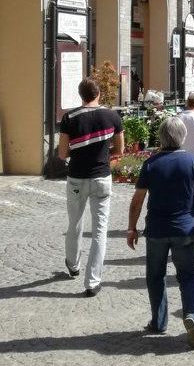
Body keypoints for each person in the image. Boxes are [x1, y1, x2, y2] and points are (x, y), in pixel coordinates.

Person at [126, 117, 194, 347]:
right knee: (188, 276)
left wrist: (132, 228)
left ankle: (159, 321)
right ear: (183, 136)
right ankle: (191, 314)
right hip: (184, 227)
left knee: (155, 276)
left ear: (161, 137)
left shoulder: (151, 164)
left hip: (156, 230)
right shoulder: (193, 161)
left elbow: (137, 201)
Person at [58, 77, 125, 296]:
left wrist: (78, 150)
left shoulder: (69, 118)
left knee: (75, 223)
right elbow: (120, 150)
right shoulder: (112, 116)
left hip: (76, 177)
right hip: (101, 177)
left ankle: (73, 265)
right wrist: (104, 153)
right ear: (99, 94)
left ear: (80, 95)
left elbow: (62, 154)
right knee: (100, 230)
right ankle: (93, 282)